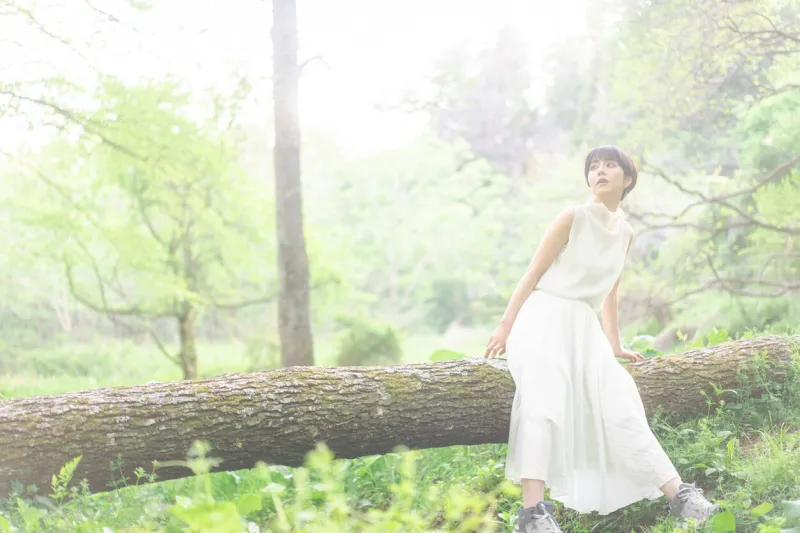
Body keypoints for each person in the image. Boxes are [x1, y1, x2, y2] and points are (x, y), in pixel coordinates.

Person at [483, 146, 719, 533]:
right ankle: (533, 515)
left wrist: (614, 345)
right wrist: (505, 325)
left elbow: (611, 292)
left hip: (584, 328)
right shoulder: (572, 217)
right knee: (542, 403)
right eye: (594, 166)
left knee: (621, 402)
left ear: (627, 179)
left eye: (610, 165)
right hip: (543, 316)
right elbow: (532, 273)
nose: (600, 171)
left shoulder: (624, 233)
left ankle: (682, 498)